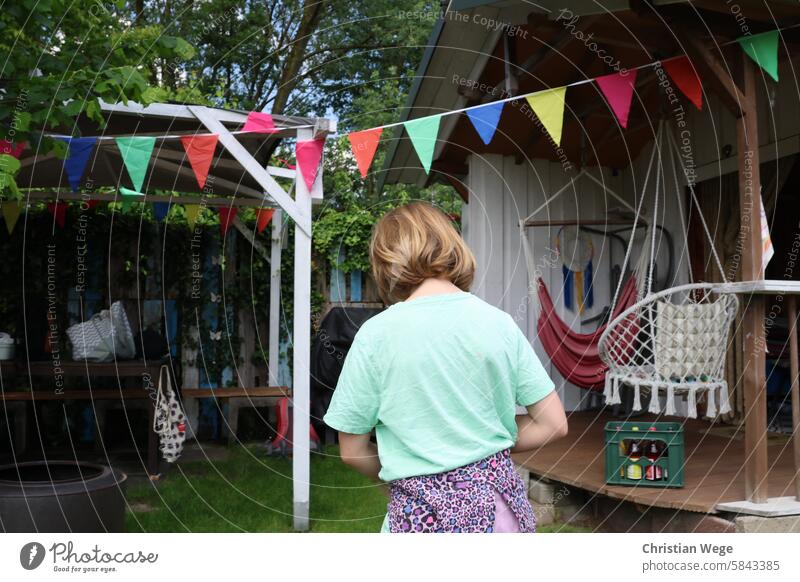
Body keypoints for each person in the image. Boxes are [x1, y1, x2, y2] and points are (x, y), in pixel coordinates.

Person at [323, 201, 568, 533]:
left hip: (419, 518)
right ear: (453, 247)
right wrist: (480, 448)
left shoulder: (374, 337)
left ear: (387, 261)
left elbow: (352, 450)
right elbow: (553, 423)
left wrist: (408, 468)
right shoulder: (499, 324)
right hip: (498, 517)